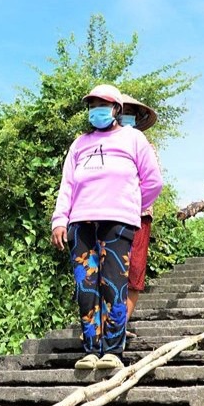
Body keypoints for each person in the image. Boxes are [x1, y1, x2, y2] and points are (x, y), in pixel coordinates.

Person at [51, 84, 163, 371]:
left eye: (102, 104)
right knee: (86, 286)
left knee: (113, 283)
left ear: (116, 109)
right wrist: (59, 219)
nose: (95, 109)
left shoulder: (133, 139)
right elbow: (67, 184)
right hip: (81, 222)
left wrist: (132, 207)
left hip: (118, 221)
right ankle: (90, 349)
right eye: (91, 105)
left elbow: (152, 181)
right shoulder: (79, 144)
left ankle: (113, 349)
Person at [120, 93, 158, 327]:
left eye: (131, 113)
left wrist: (131, 204)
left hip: (139, 216)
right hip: (106, 217)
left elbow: (153, 182)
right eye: (123, 112)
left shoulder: (146, 146)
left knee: (134, 272)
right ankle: (105, 327)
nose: (126, 117)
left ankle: (119, 326)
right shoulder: (100, 145)